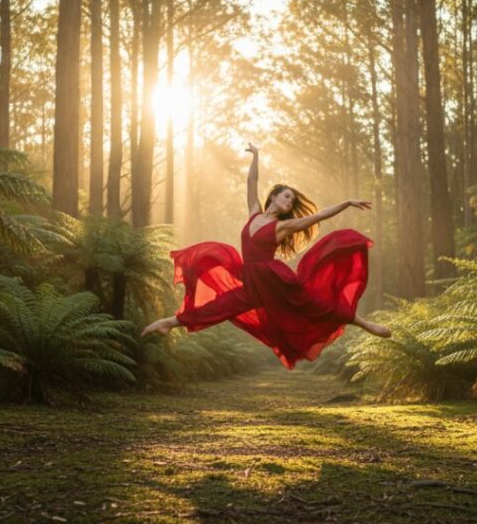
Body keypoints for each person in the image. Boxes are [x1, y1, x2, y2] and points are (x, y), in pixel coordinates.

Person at [141, 142, 391, 369]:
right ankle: (169, 323)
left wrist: (346, 202)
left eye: (292, 201)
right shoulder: (254, 212)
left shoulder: (283, 227)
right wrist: (256, 156)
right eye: (286, 196)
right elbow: (251, 183)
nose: (289, 202)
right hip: (251, 283)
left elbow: (317, 216)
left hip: (275, 281)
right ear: (273, 196)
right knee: (220, 306)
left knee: (316, 304)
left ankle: (366, 325)